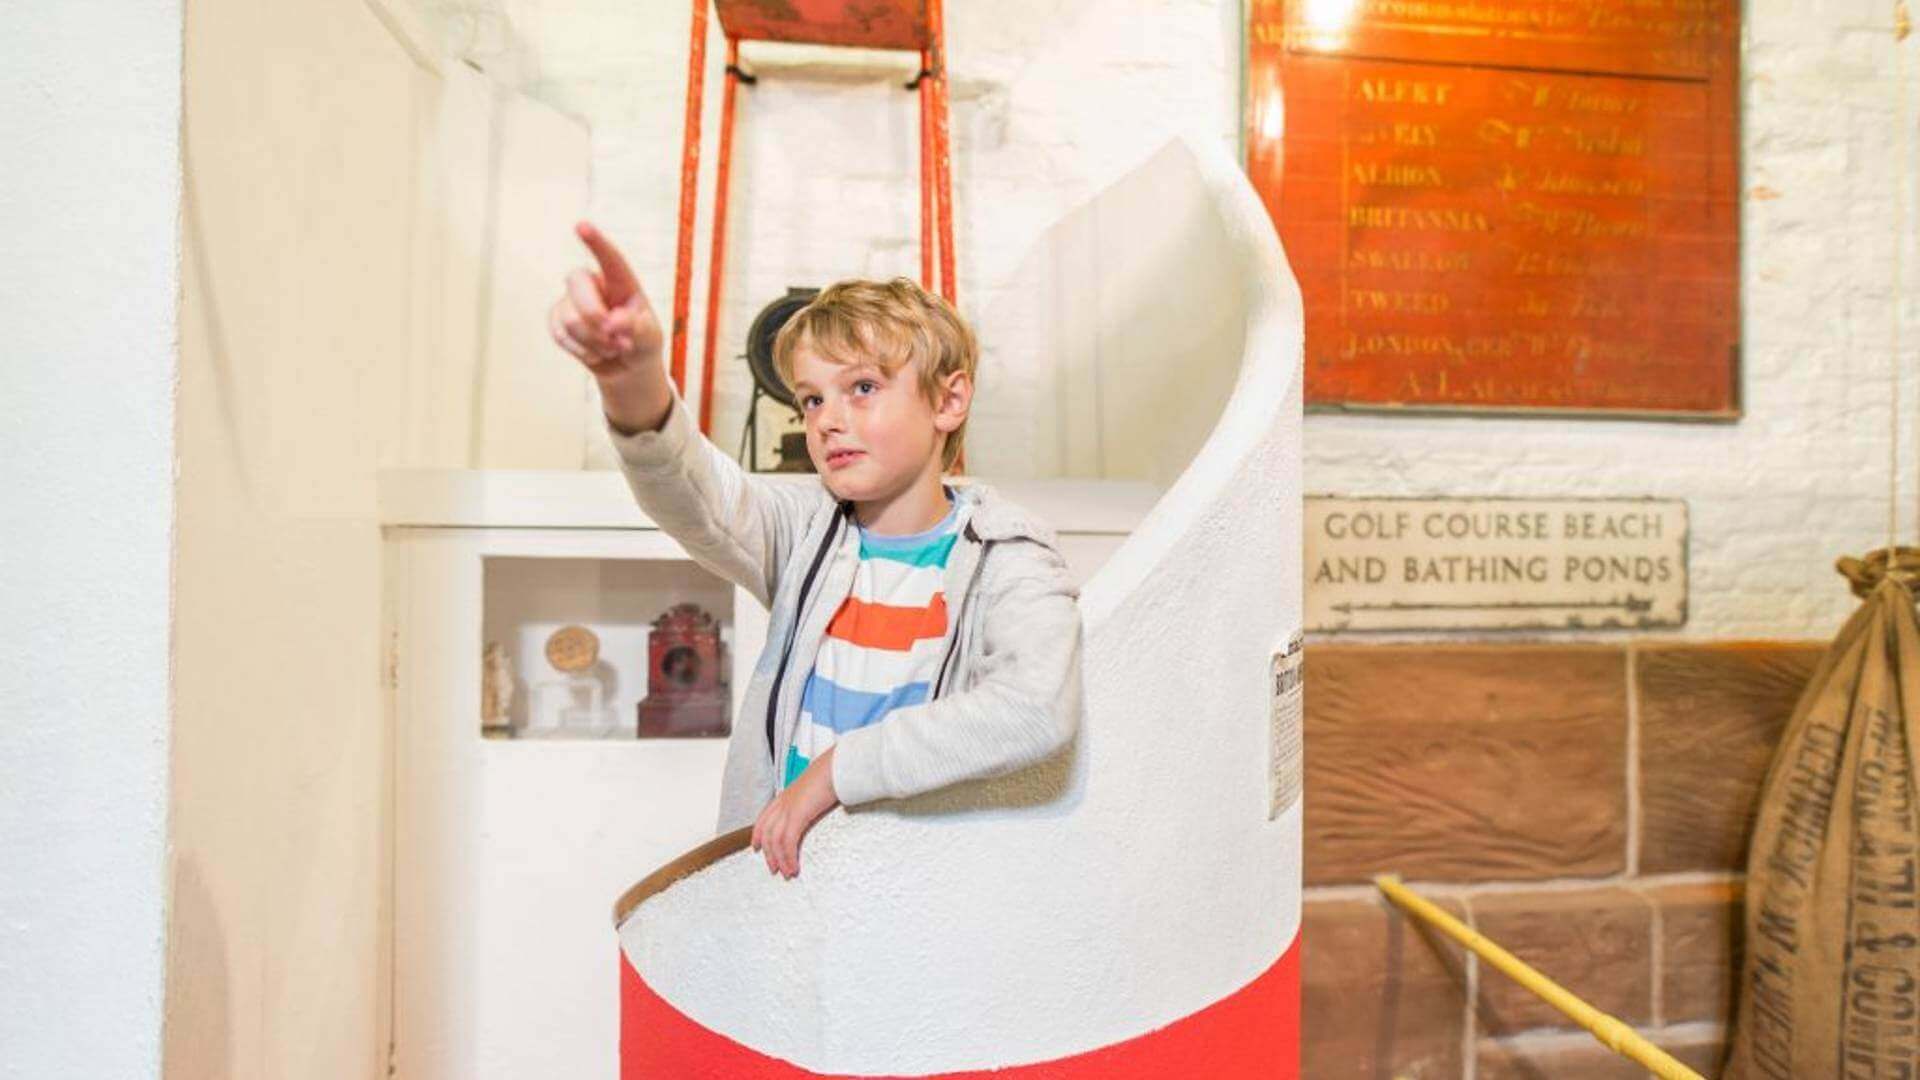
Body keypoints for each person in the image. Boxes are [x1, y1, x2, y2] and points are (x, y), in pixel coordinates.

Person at [548, 221, 1084, 880]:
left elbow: (1033, 710)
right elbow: (690, 493)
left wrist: (840, 771)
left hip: (923, 904)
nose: (827, 420)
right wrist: (633, 381)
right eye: (811, 398)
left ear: (949, 399)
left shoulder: (1009, 554)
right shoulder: (806, 531)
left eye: (862, 388)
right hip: (791, 904)